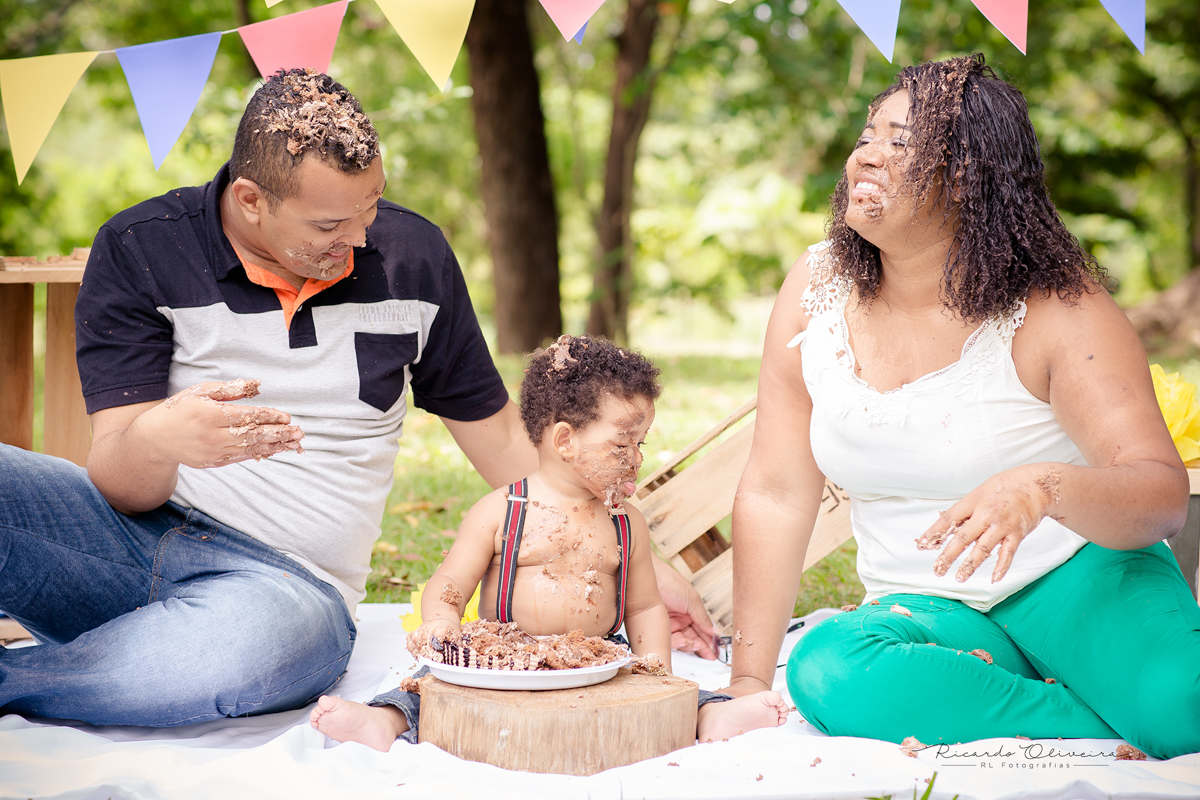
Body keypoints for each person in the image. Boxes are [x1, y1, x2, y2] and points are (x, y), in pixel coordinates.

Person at [0, 69, 715, 727]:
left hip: (286, 594)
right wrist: (162, 440)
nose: (359, 237)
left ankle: (42, 676)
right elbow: (119, 481)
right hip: (124, 540)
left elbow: (503, 441)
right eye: (327, 226)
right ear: (250, 200)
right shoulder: (140, 248)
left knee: (232, 654)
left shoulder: (413, 256)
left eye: (368, 208)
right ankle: (122, 657)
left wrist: (642, 563)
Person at [725, 53, 1200, 760]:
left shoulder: (1057, 306)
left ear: (968, 179)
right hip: (934, 612)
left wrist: (1042, 488)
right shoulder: (815, 288)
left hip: (1080, 578)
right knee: (828, 666)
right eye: (867, 133)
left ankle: (1097, 696)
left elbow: (1162, 496)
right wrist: (745, 686)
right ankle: (1089, 716)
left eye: (899, 142)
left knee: (1183, 707)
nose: (866, 156)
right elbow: (776, 490)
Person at [309, 335, 789, 750]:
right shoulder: (502, 511)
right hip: (501, 662)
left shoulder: (627, 524)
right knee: (425, 688)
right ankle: (385, 721)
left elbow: (644, 608)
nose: (636, 460)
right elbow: (451, 583)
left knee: (670, 695)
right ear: (564, 441)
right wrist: (441, 623)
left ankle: (710, 716)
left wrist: (655, 671)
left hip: (598, 660)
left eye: (641, 444)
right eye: (622, 445)